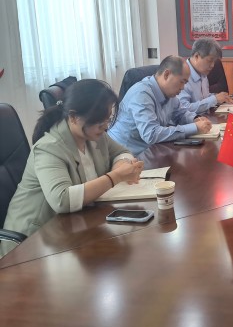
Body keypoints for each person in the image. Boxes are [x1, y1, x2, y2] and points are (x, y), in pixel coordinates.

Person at [1, 79, 143, 256]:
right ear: (74, 117)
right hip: (31, 244)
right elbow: (62, 200)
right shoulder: (49, 148)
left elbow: (122, 152)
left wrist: (122, 165)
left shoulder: (94, 134)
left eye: (107, 119)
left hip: (72, 229)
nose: (105, 126)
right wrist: (115, 177)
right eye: (99, 122)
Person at [108, 55, 212, 155]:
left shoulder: (169, 94)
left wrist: (195, 119)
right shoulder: (142, 94)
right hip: (125, 154)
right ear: (166, 75)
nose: (183, 87)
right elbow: (151, 134)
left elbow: (180, 113)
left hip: (150, 150)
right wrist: (194, 128)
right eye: (182, 82)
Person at [179, 38, 233, 115]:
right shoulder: (181, 75)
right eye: (209, 61)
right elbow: (183, 109)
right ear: (196, 56)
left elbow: (203, 98)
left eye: (214, 62)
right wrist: (214, 99)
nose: (212, 65)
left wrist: (218, 97)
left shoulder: (203, 73)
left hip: (205, 118)